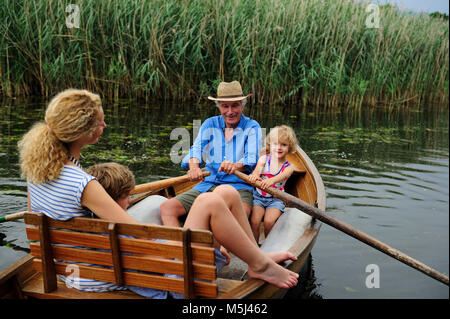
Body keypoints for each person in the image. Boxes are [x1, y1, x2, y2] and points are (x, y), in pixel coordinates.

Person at [18, 89, 298, 295]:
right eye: (100, 122)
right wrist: (185, 246)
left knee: (226, 194)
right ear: (83, 131)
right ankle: (258, 263)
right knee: (211, 201)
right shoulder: (84, 183)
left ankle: (256, 259)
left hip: (77, 269)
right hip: (104, 273)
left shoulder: (37, 171)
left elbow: (38, 217)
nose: (104, 126)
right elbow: (137, 236)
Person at [160, 81, 262, 227]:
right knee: (167, 208)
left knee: (242, 212)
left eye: (235, 105)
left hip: (238, 187)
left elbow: (251, 159)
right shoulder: (210, 123)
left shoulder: (252, 126)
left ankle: (224, 249)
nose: (230, 111)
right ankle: (179, 248)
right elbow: (196, 149)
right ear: (219, 106)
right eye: (225, 106)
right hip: (208, 184)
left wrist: (235, 166)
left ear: (242, 105)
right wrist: (194, 167)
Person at [249, 125, 298, 242]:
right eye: (275, 144)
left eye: (284, 145)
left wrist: (271, 180)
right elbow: (257, 171)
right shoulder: (264, 159)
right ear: (270, 145)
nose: (279, 148)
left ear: (290, 147)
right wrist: (254, 176)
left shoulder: (290, 167)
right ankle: (255, 248)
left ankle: (269, 247)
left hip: (277, 199)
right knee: (254, 222)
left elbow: (284, 175)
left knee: (268, 222)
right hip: (259, 197)